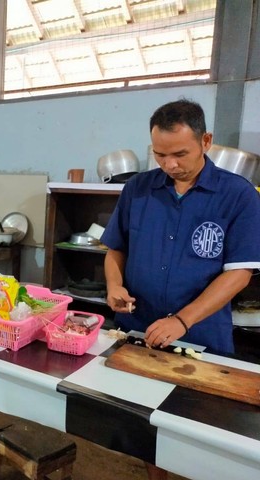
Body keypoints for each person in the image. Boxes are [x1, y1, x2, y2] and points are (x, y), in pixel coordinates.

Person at [102, 100, 260, 479]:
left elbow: (239, 273)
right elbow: (115, 249)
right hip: (139, 329)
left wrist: (183, 320)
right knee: (145, 425)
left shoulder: (238, 195)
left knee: (198, 430)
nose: (169, 164)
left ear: (206, 140)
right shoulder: (138, 189)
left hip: (202, 335)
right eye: (159, 154)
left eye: (180, 154)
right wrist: (113, 285)